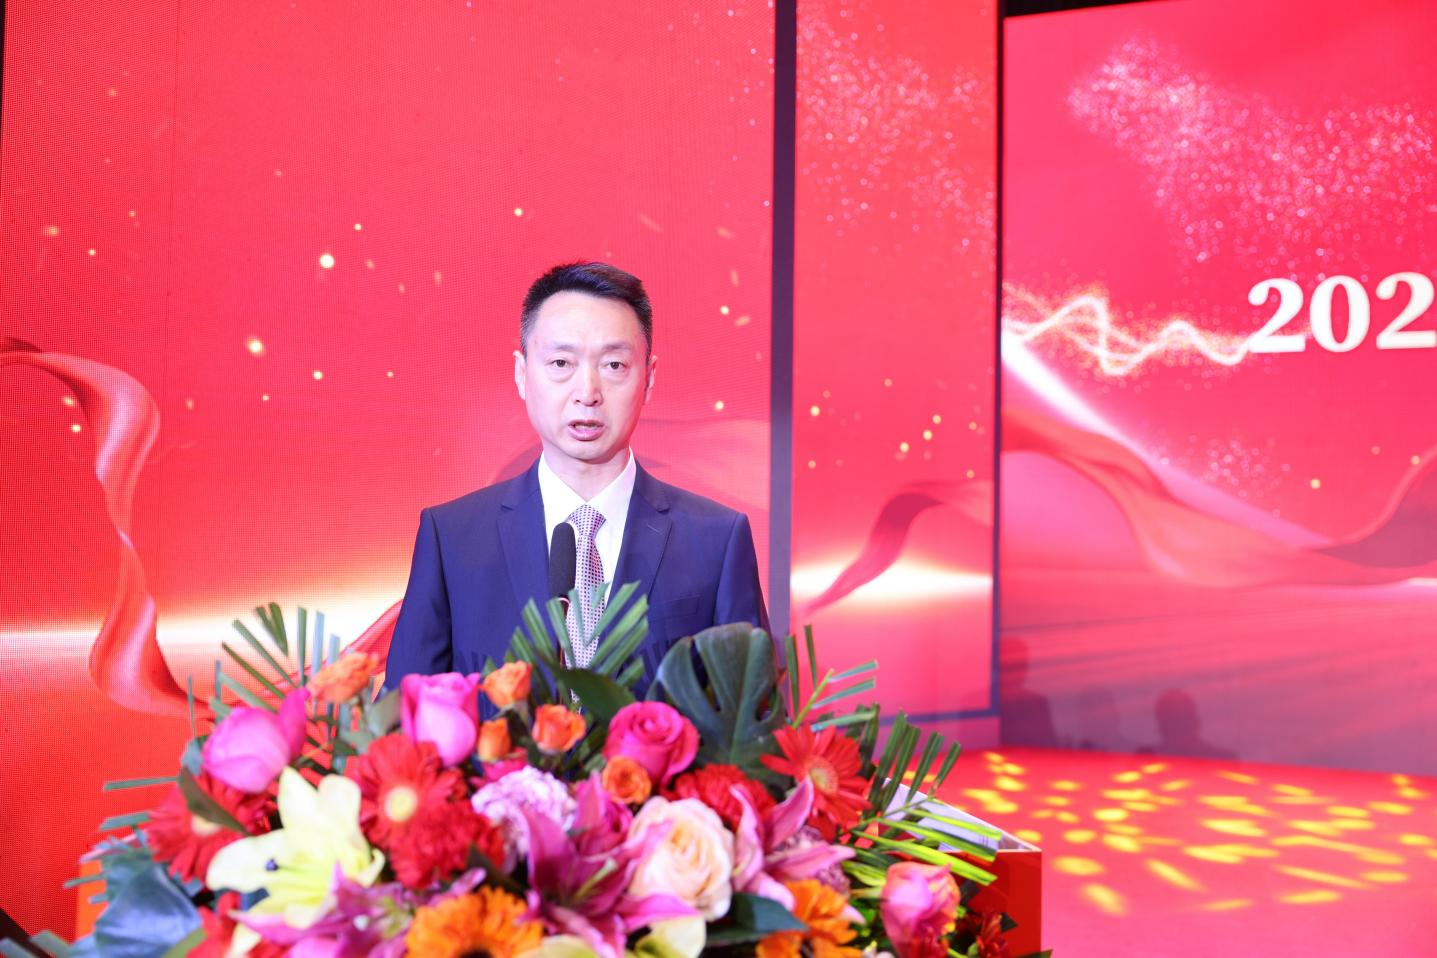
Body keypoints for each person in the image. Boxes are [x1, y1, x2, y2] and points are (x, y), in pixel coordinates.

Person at [384, 261, 769, 689]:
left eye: (614, 366)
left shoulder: (716, 540)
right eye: (561, 362)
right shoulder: (453, 538)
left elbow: (752, 715)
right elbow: (404, 714)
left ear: (649, 379)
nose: (587, 393)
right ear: (522, 374)